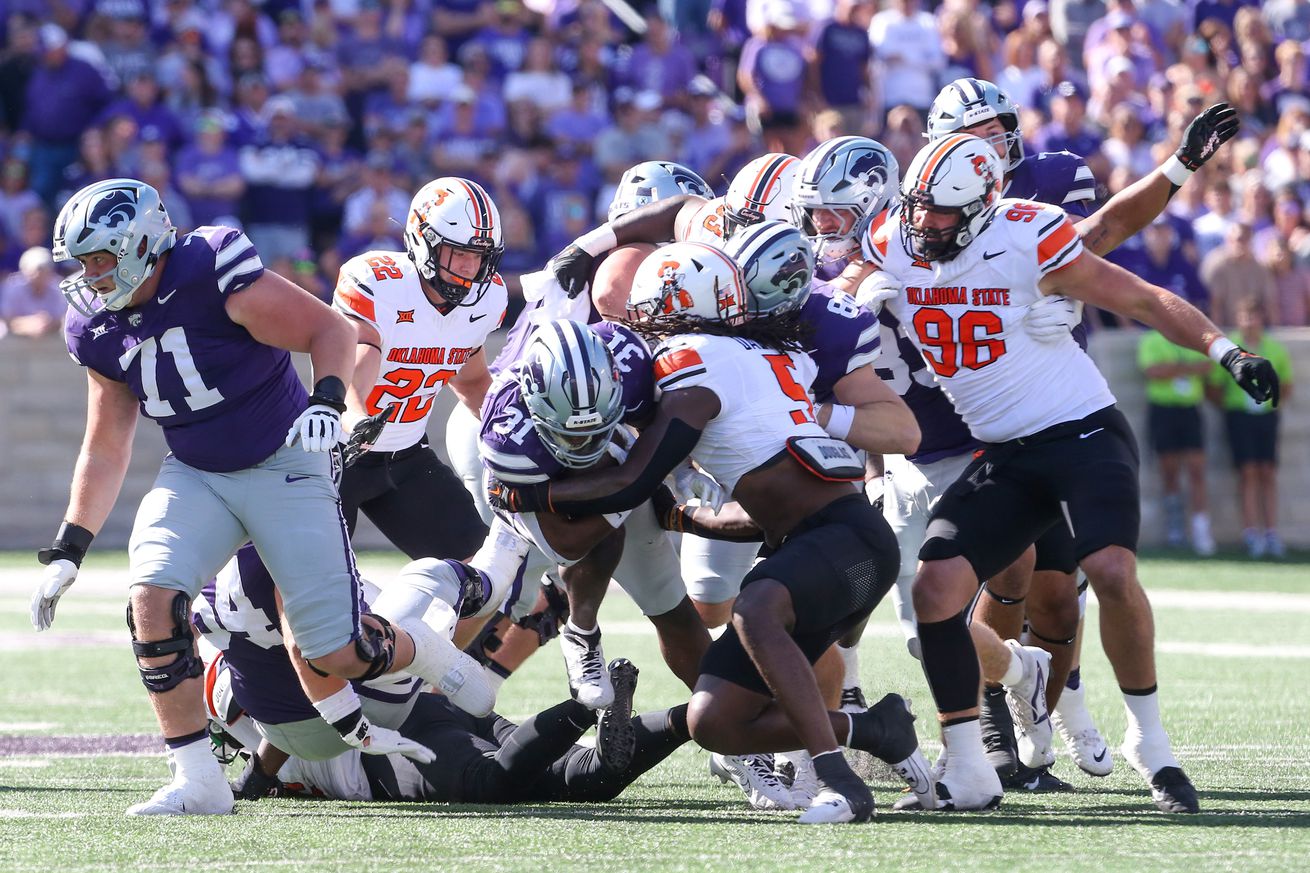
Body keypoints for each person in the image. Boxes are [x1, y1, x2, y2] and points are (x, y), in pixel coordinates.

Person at [28, 178, 492, 816]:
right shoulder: (96, 325)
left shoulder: (213, 268)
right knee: (151, 601)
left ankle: (437, 659)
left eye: (100, 259)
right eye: (81, 262)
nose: (89, 276)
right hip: (196, 471)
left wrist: (328, 401)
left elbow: (328, 329)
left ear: (140, 245)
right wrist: (68, 547)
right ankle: (198, 779)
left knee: (336, 650)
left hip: (286, 464)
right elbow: (105, 444)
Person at [859, 133, 1278, 813]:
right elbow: (834, 303)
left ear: (983, 208)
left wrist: (1224, 350)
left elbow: (1138, 296)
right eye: (917, 208)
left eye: (940, 213)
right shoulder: (892, 241)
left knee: (1110, 570)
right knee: (936, 589)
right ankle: (968, 769)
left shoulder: (1027, 238)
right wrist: (860, 297)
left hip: (1081, 429)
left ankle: (1151, 739)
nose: (922, 225)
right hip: (1004, 451)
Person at [490, 243, 936, 824]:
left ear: (676, 310)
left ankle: (840, 781)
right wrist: (681, 514)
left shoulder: (692, 364)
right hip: (828, 546)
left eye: (650, 311)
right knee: (717, 723)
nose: (642, 325)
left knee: (754, 610)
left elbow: (630, 483)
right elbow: (747, 496)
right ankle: (877, 728)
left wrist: (533, 495)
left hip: (839, 540)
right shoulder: (756, 353)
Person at [479, 318, 708, 707]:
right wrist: (630, 488)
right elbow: (566, 544)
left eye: (598, 424)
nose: (585, 443)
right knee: (508, 590)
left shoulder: (630, 363)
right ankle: (580, 632)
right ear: (536, 408)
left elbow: (657, 424)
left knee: (670, 601)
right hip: (536, 477)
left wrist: (680, 467)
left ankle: (738, 738)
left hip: (615, 462)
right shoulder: (508, 439)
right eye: (571, 433)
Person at [333, 177, 507, 565]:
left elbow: (473, 380)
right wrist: (358, 418)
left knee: (484, 581)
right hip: (334, 457)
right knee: (302, 595)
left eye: (480, 255)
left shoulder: (486, 299)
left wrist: (518, 431)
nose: (470, 267)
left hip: (406, 456)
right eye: (458, 253)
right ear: (424, 241)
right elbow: (354, 365)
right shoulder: (381, 283)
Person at [1207, 301, 1295, 558]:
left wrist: (1271, 403)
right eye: (1245, 316)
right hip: (1239, 416)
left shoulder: (1274, 348)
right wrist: (1230, 406)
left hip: (1265, 417)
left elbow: (1286, 384)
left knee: (1267, 472)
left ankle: (1271, 532)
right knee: (1247, 472)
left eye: (1254, 316)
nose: (1249, 322)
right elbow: (1213, 386)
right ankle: (1250, 533)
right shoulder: (1230, 348)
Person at [1137, 329, 1215, 553]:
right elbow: (1152, 371)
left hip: (1190, 409)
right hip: (1164, 410)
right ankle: (1176, 528)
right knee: (1169, 470)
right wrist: (1189, 369)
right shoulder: (1151, 339)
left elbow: (1208, 368)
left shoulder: (1191, 337)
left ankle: (1201, 529)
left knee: (1196, 470)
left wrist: (1171, 369)